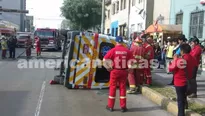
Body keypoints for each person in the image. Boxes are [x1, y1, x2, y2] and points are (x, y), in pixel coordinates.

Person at [103, 36, 133, 112]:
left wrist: (108, 67)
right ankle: (123, 107)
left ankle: (110, 106)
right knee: (122, 88)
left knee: (112, 87)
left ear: (116, 42)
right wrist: (129, 69)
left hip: (114, 71)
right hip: (123, 71)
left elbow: (104, 59)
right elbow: (132, 61)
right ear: (122, 42)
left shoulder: (113, 50)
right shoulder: (127, 51)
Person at [169, 44, 196, 116]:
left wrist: (174, 60)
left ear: (182, 51)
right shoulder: (192, 58)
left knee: (180, 100)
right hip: (189, 82)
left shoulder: (180, 60)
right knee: (184, 97)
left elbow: (170, 68)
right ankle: (185, 106)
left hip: (180, 83)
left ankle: (181, 114)